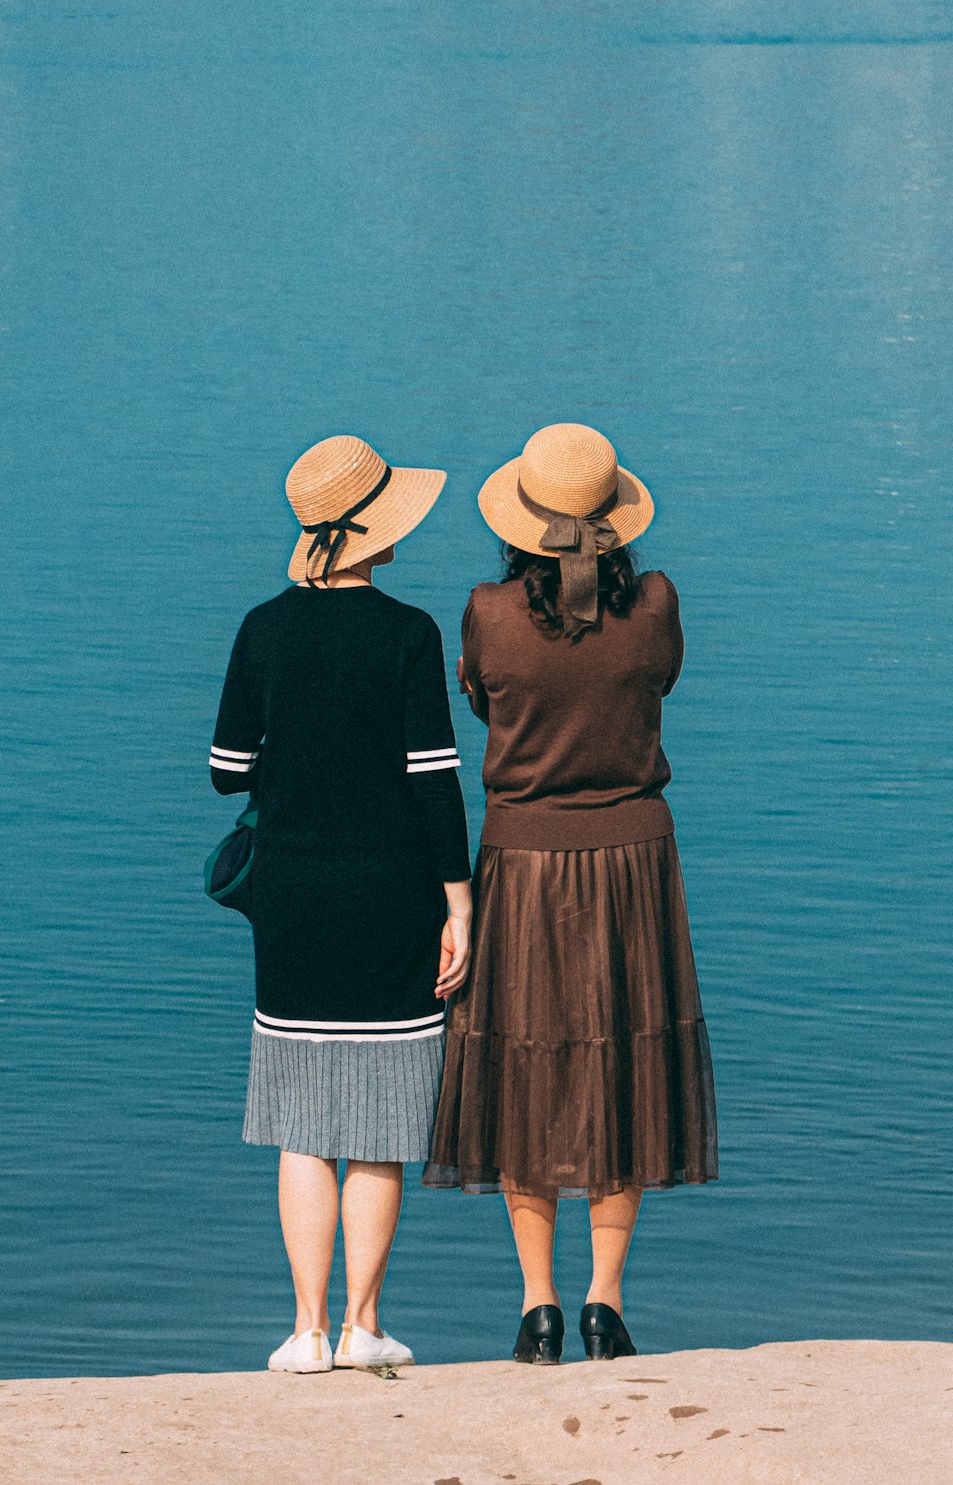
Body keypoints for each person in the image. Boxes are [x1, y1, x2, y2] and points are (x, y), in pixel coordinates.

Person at [424, 422, 718, 1364]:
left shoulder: (487, 612)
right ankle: (606, 1300)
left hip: (522, 858)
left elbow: (484, 701)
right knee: (623, 1066)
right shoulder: (659, 603)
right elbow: (660, 679)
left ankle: (537, 1304)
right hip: (634, 857)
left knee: (525, 1070)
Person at [210, 435, 472, 1373]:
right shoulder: (410, 633)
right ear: (374, 532)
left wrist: (298, 754)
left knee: (302, 1120)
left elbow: (224, 770)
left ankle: (306, 1330)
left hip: (291, 904)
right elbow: (436, 783)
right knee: (382, 1120)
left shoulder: (261, 626)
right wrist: (461, 905)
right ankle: (367, 1326)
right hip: (393, 896)